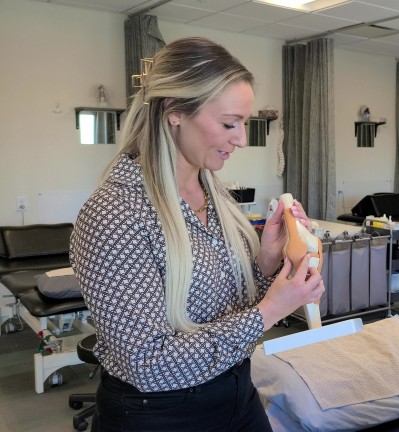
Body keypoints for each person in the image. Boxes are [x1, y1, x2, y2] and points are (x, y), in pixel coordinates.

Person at [69, 37, 324, 431]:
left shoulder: (212, 191)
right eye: (229, 123)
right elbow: (147, 365)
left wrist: (266, 262)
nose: (241, 139)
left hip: (236, 390)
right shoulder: (115, 213)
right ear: (175, 112)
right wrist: (270, 311)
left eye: (244, 123)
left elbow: (225, 305)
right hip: (159, 413)